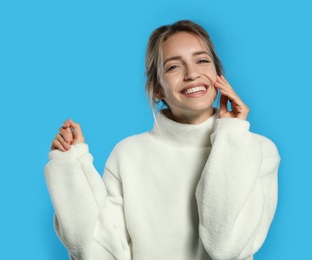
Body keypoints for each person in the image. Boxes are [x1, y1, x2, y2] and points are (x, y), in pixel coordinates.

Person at [44, 20, 280, 260]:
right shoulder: (128, 154)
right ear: (157, 89)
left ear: (218, 74)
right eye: (173, 67)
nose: (191, 74)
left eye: (202, 60)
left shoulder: (259, 150)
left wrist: (231, 135)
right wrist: (71, 170)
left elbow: (225, 247)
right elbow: (99, 253)